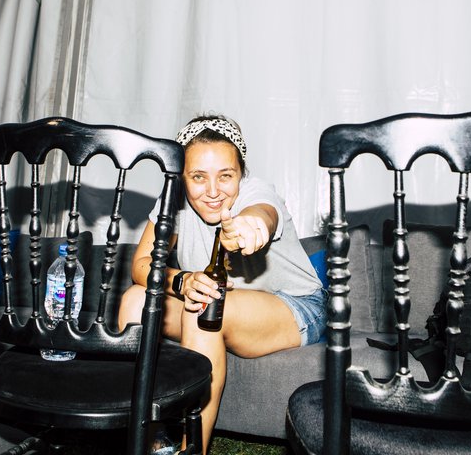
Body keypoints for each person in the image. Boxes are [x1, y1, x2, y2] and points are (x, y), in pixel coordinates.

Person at [118, 114, 326, 454]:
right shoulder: (173, 203)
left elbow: (262, 213)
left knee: (203, 307)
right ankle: (153, 440)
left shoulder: (256, 192)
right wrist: (182, 280)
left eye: (225, 176)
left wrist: (250, 226)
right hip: (225, 304)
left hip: (298, 306)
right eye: (198, 177)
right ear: (182, 176)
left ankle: (193, 449)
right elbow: (142, 264)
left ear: (240, 173)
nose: (213, 192)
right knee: (134, 301)